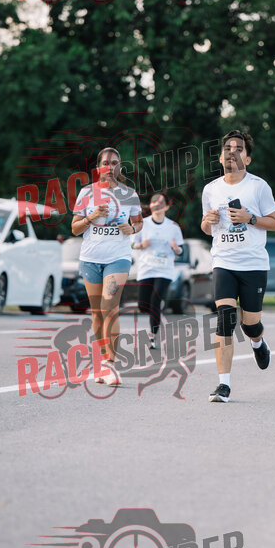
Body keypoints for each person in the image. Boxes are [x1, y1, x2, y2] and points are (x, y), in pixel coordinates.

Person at [201, 130, 275, 402]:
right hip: (223, 261)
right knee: (225, 317)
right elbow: (206, 227)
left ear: (247, 158)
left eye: (238, 148)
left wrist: (250, 218)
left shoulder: (259, 186)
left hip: (253, 264)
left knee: (250, 324)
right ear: (220, 156)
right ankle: (223, 385)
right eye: (228, 148)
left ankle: (258, 342)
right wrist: (208, 221)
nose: (232, 152)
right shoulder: (211, 189)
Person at [72, 147, 143, 386]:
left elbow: (139, 222)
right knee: (97, 313)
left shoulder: (129, 194)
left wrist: (132, 229)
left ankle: (110, 365)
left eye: (114, 163)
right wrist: (91, 217)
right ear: (98, 167)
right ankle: (101, 362)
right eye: (106, 163)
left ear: (119, 166)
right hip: (90, 259)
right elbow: (75, 228)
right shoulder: (86, 193)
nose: (110, 167)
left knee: (109, 307)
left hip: (118, 258)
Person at [132, 193, 184, 349]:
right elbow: (132, 244)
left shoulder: (173, 227)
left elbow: (180, 250)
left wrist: (176, 248)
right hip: (146, 268)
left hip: (164, 270)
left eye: (161, 204)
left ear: (167, 207)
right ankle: (155, 311)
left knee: (155, 300)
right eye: (154, 203)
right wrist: (141, 245)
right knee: (143, 305)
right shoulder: (143, 224)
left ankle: (153, 335)